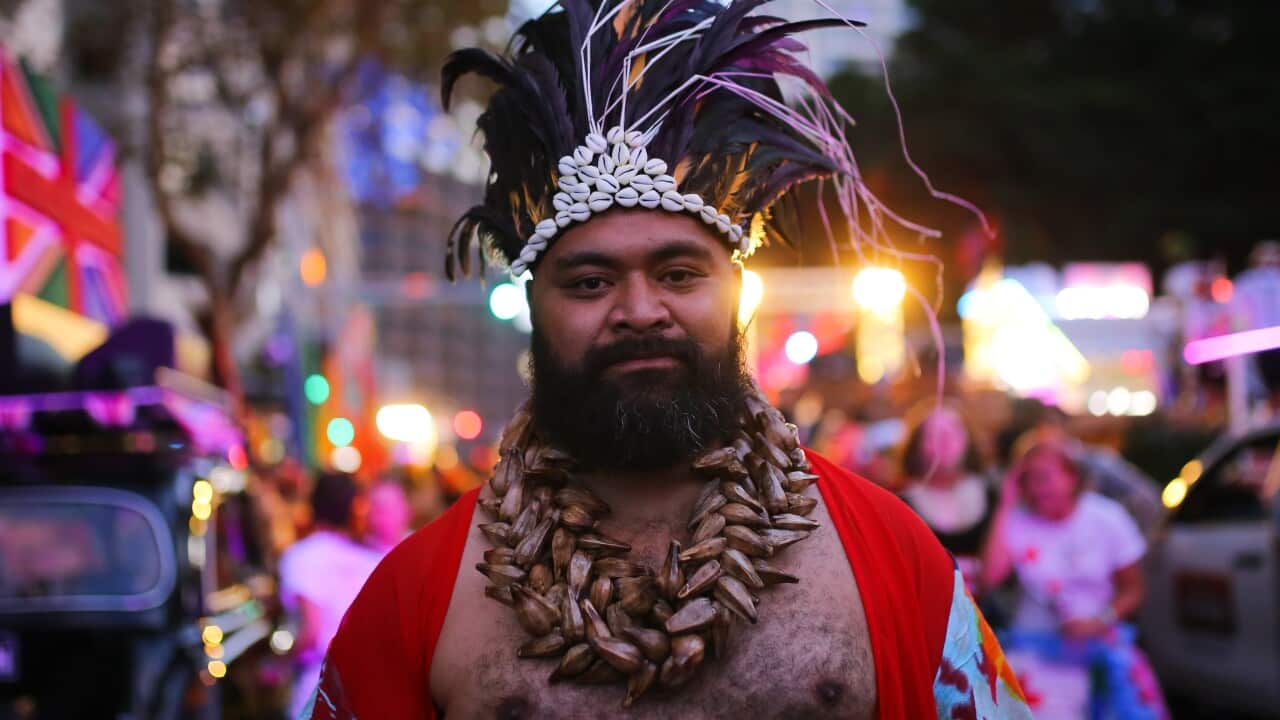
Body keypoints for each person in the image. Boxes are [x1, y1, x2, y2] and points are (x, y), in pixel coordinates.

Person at [305, 2, 1030, 717]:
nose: (640, 310)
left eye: (680, 274)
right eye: (590, 283)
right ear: (535, 304)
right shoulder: (417, 594)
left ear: (738, 290)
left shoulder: (895, 556)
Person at [980, 440, 1167, 718]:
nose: (1036, 488)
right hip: (1037, 654)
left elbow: (1133, 589)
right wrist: (1006, 501)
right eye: (1028, 480)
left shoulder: (1107, 518)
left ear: (1072, 476)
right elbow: (990, 577)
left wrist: (1099, 621)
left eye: (1044, 478)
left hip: (1101, 649)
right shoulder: (1018, 520)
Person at [279, 472, 380, 719]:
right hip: (367, 691)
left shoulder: (301, 556)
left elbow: (311, 633)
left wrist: (279, 664)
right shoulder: (373, 559)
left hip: (317, 690)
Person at [899, 404, 996, 588]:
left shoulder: (992, 495)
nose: (944, 441)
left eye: (953, 432)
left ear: (969, 440)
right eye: (933, 435)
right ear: (916, 445)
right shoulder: (901, 503)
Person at [363, 479, 412, 554]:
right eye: (377, 511)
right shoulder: (360, 549)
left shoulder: (415, 544)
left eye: (389, 509)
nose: (380, 519)